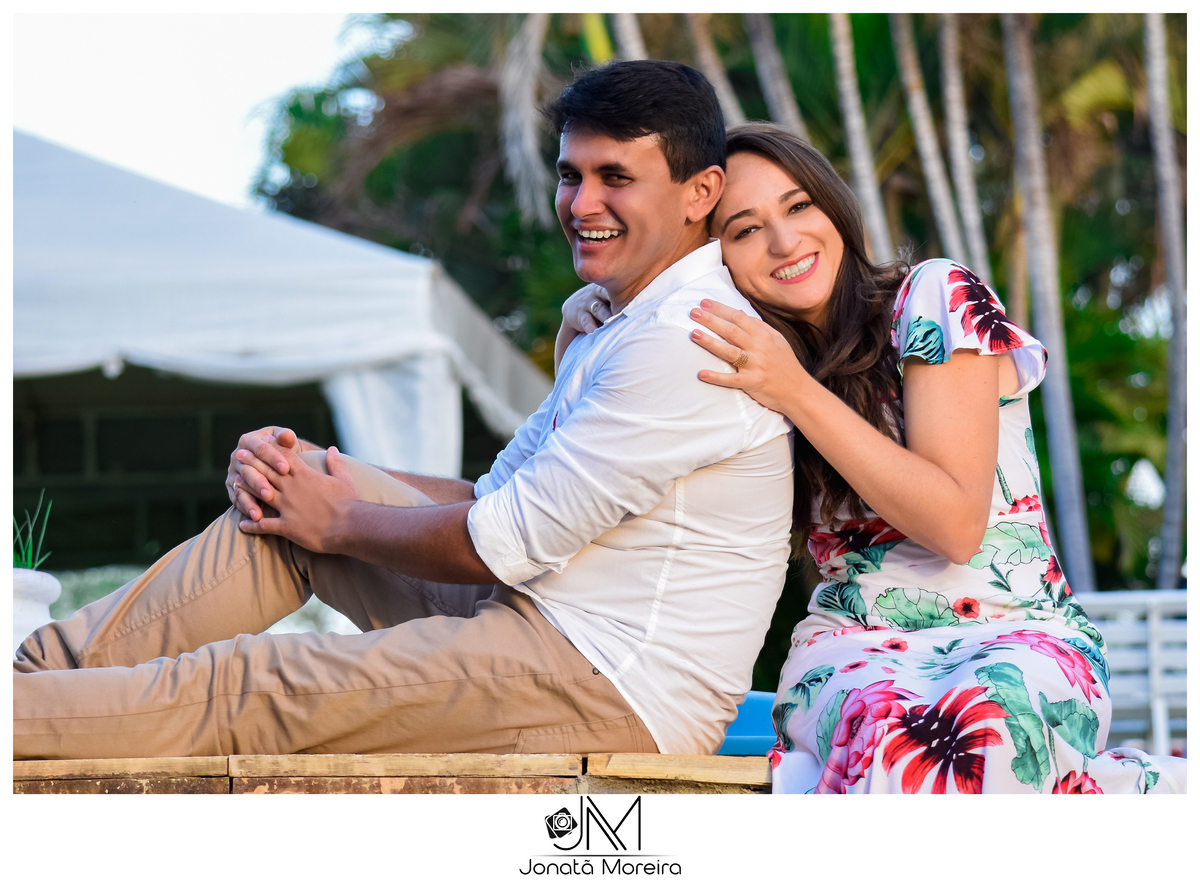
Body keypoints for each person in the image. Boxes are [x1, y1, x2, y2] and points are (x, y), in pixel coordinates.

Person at [12, 62, 793, 761]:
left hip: (610, 679)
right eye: (570, 174)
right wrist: (319, 481)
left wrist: (340, 519)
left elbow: (502, 539)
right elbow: (493, 496)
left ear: (701, 192)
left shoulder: (686, 339)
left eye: (615, 177)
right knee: (296, 491)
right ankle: (33, 677)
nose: (582, 202)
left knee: (262, 682)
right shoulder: (616, 319)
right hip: (540, 610)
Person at [559, 122, 1185, 794]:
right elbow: (588, 480)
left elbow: (955, 525)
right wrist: (581, 337)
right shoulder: (745, 362)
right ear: (713, 259)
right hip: (852, 646)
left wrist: (795, 391)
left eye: (800, 206)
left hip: (1013, 632)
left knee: (980, 741)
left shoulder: (932, 297)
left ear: (834, 205)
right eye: (745, 229)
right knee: (892, 753)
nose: (785, 242)